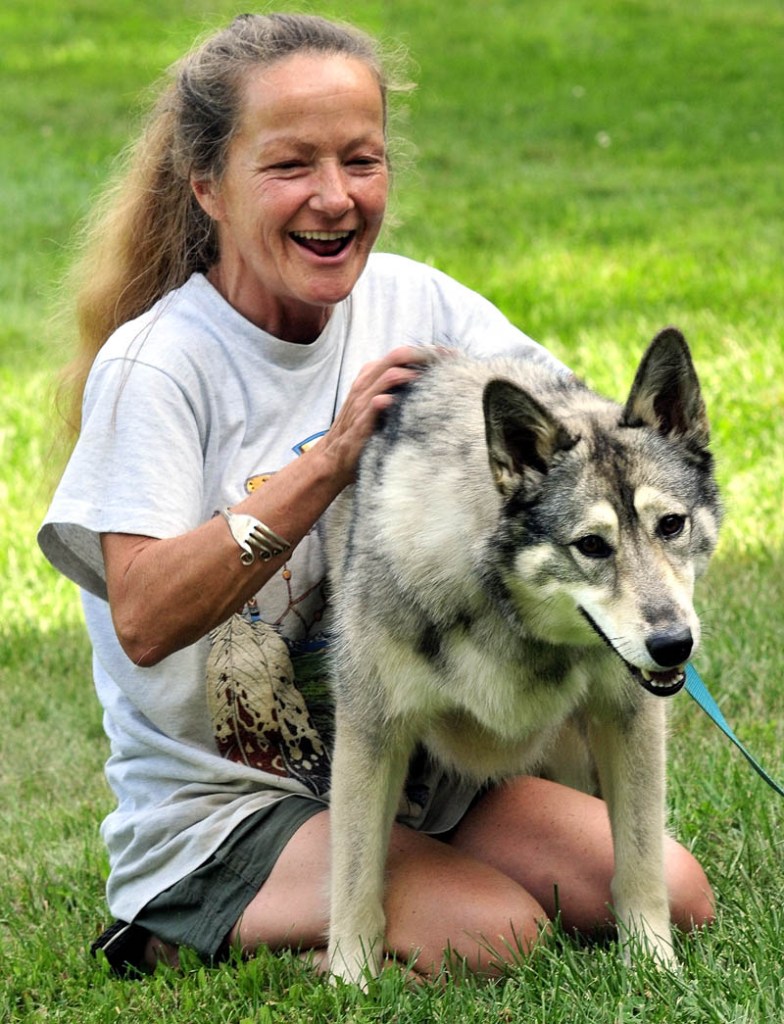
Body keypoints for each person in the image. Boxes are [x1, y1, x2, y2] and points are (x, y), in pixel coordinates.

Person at [39, 12, 714, 980]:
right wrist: (327, 462)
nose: (334, 197)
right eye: (288, 166)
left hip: (426, 776)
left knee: (675, 894)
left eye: (362, 159)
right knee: (496, 935)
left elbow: (585, 446)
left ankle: (425, 859)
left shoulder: (417, 303)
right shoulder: (160, 367)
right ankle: (172, 918)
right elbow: (143, 617)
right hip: (229, 806)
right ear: (207, 188)